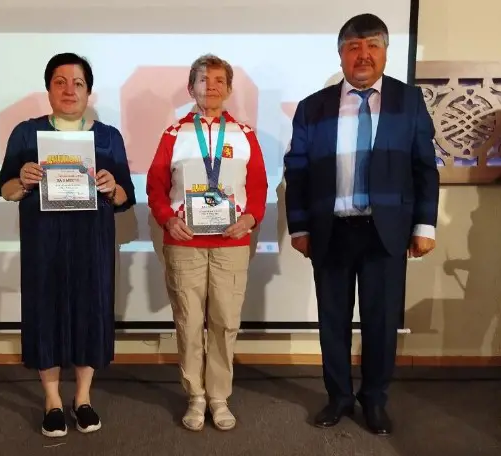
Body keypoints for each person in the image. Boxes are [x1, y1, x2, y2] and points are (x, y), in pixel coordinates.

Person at [284, 14, 439, 436]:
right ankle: (338, 397)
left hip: (386, 232)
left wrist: (424, 226)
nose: (363, 55)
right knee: (332, 322)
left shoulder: (409, 101)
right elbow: (297, 170)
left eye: (372, 45)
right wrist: (299, 227)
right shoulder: (313, 106)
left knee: (381, 323)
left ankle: (374, 399)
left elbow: (425, 166)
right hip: (331, 231)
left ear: (385, 52)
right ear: (341, 55)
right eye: (353, 47)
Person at [0, 53, 136, 438]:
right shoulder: (27, 133)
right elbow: (6, 189)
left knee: (90, 313)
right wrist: (22, 180)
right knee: (45, 314)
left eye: (78, 83)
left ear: (88, 91)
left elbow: (126, 196)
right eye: (60, 82)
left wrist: (112, 186)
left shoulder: (108, 137)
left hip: (92, 244)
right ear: (49, 89)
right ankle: (52, 401)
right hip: (43, 243)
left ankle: (83, 398)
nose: (69, 90)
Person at [146, 54, 268, 432]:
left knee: (225, 322)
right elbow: (155, 187)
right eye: (203, 80)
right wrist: (168, 219)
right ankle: (196, 396)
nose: (211, 87)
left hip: (232, 243)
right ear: (191, 87)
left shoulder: (245, 134)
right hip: (185, 243)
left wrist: (250, 218)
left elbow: (258, 186)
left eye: (218, 81)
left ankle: (219, 397)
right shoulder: (173, 134)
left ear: (228, 89)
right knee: (189, 321)